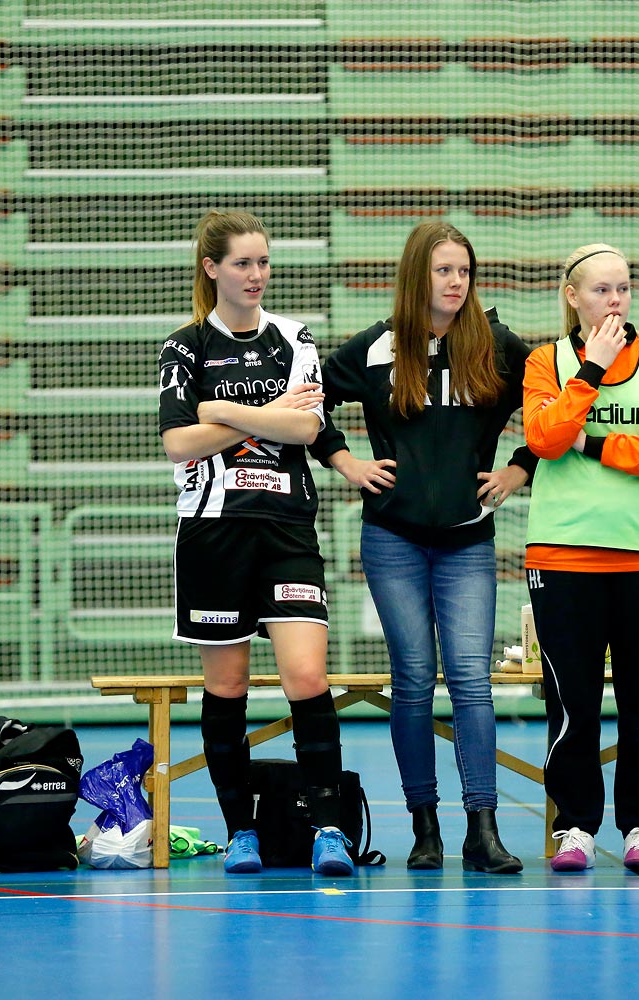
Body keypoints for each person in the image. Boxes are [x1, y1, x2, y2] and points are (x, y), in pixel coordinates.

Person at [311, 220, 530, 874]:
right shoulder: (378, 348)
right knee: (411, 682)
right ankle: (425, 830)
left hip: (467, 542)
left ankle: (482, 832)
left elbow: (556, 407)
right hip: (393, 540)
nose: (456, 282)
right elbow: (309, 397)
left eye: (463, 270)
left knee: (470, 682)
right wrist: (345, 460)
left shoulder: (496, 345)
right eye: (443, 270)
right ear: (418, 277)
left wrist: (521, 468)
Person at [157, 209, 356, 876]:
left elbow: (307, 431)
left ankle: (328, 827)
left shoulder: (294, 336)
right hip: (212, 532)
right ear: (212, 268)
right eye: (243, 262)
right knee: (231, 684)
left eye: (263, 262)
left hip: (286, 527)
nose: (256, 274)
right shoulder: (185, 347)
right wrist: (267, 417)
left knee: (306, 676)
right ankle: (241, 831)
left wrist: (222, 411)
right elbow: (176, 443)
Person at [521, 243, 639, 873]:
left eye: (623, 288)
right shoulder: (548, 362)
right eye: (601, 290)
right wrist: (589, 372)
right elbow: (544, 438)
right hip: (564, 558)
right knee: (571, 703)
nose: (615, 301)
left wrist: (594, 446)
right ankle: (574, 827)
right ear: (573, 297)